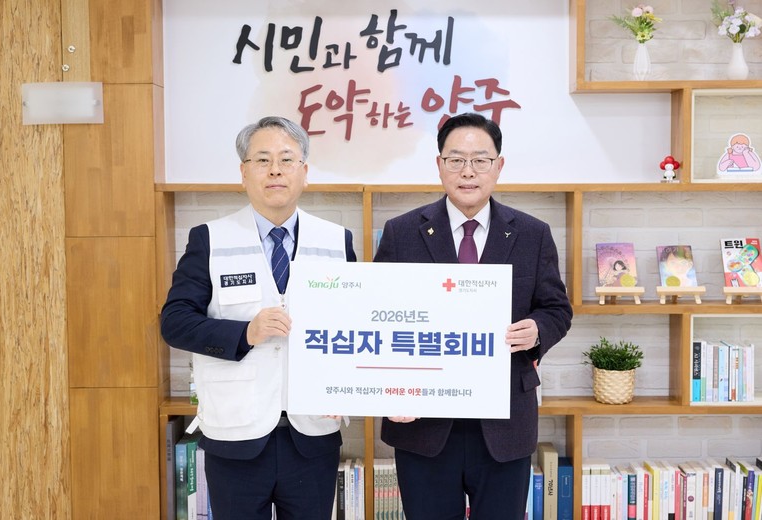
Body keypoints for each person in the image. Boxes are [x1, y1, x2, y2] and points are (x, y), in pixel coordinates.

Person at [373, 112, 572, 520]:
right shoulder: (401, 232)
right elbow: (376, 318)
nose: (468, 171)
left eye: (481, 160)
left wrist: (537, 330)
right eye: (456, 160)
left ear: (499, 166)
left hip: (504, 423)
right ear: (439, 165)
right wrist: (388, 391)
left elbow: (557, 309)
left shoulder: (532, 234)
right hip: (424, 424)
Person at [160, 116, 357, 520]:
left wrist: (347, 389)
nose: (275, 170)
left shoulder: (337, 241)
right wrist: (245, 332)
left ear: (304, 172)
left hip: (313, 436)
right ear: (244, 172)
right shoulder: (210, 239)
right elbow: (175, 322)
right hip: (235, 436)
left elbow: (356, 327)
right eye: (262, 160)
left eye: (287, 160)